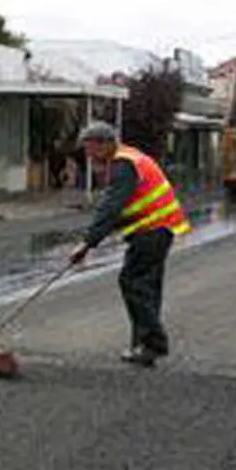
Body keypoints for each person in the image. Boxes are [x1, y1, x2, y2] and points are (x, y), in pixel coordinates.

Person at [68, 122, 191, 367]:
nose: (89, 156)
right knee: (147, 287)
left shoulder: (123, 164)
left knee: (133, 282)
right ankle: (144, 345)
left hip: (152, 230)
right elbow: (124, 209)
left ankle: (152, 343)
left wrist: (87, 243)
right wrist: (94, 239)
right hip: (160, 229)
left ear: (104, 143)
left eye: (90, 149)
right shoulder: (131, 157)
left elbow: (111, 206)